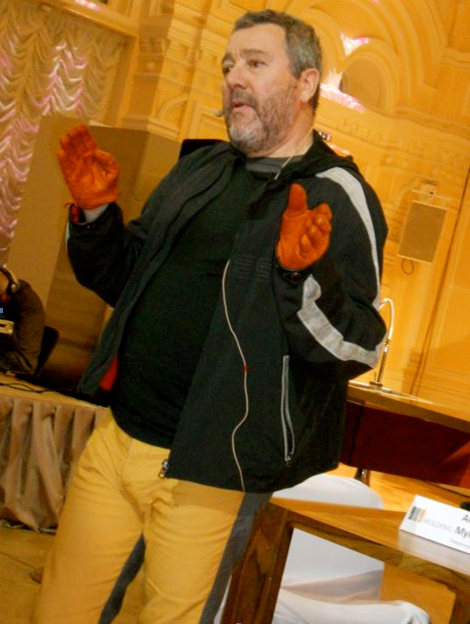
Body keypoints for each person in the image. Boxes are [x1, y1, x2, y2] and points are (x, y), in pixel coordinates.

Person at [33, 9, 387, 624]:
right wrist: (95, 218)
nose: (233, 78)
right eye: (227, 65)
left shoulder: (336, 194)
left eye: (255, 63)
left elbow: (358, 347)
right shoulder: (199, 168)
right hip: (119, 438)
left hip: (215, 470)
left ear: (305, 84)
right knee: (59, 612)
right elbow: (126, 278)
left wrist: (303, 278)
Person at [0, 266, 45, 375]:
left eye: (1, 297)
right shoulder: (4, 304)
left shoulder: (27, 303)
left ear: (12, 288)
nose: (1, 301)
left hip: (20, 360)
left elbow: (18, 343)